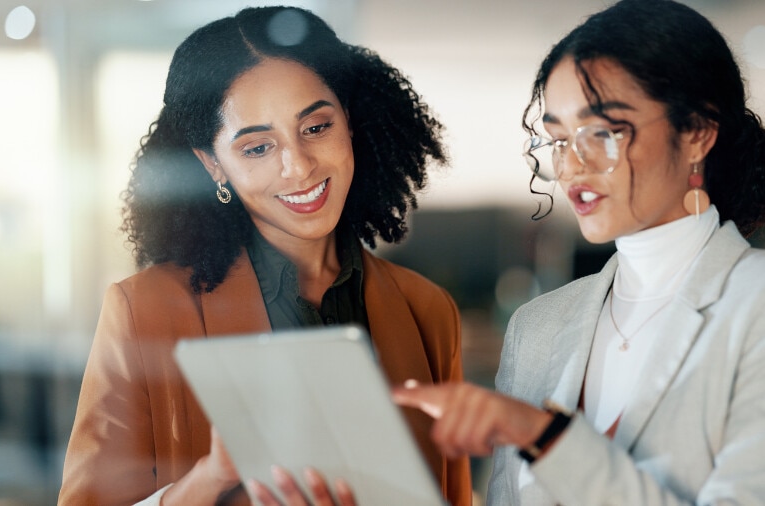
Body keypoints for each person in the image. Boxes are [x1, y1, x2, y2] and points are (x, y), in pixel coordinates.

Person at [393, 0, 765, 504]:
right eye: (559, 139)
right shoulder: (537, 326)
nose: (572, 167)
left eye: (603, 132)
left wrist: (542, 435)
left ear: (698, 131)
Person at [57, 5, 471, 505]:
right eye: (257, 148)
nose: (297, 167)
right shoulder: (143, 311)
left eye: (316, 127)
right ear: (213, 166)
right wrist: (208, 479)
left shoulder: (427, 310)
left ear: (350, 123)